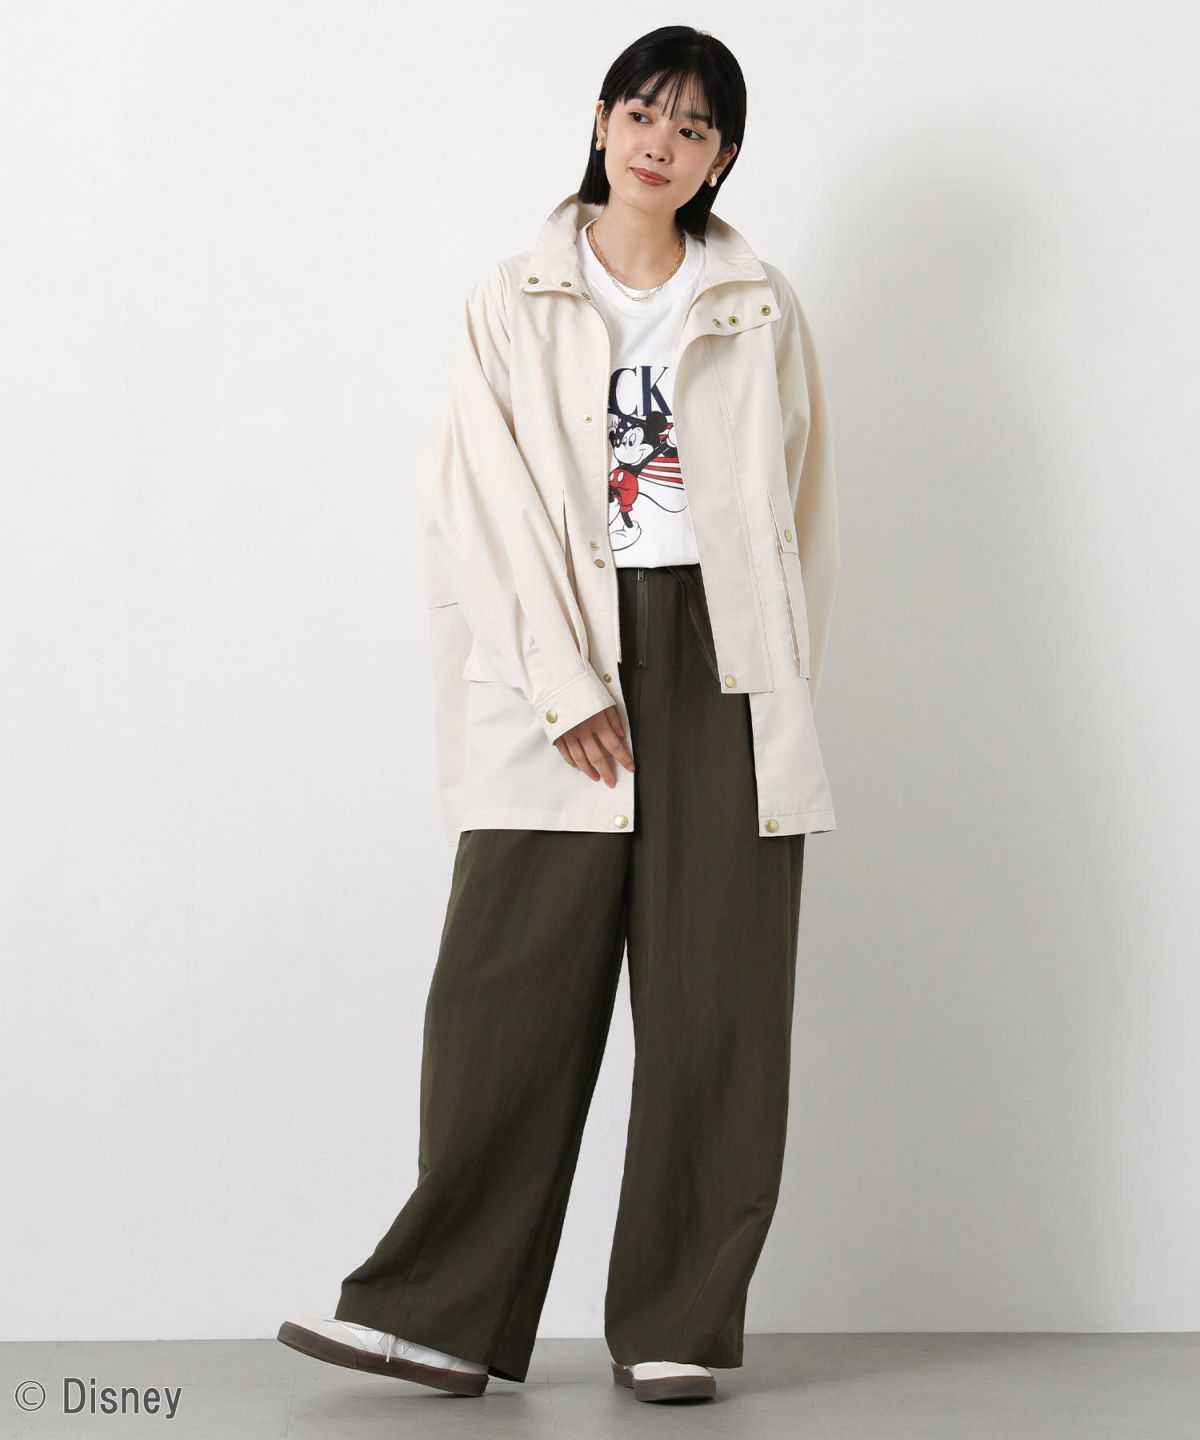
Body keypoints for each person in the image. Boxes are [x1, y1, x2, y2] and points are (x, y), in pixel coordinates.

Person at [279, 22, 839, 1407]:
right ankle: (439, 1314)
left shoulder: (759, 302)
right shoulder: (513, 293)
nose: (663, 143)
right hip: (561, 652)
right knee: (505, 990)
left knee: (720, 1001)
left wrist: (779, 679)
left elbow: (802, 504)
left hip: (722, 662)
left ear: (721, 158)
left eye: (695, 128)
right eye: (645, 112)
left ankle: (679, 1320)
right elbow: (477, 496)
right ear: (601, 120)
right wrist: (564, 680)